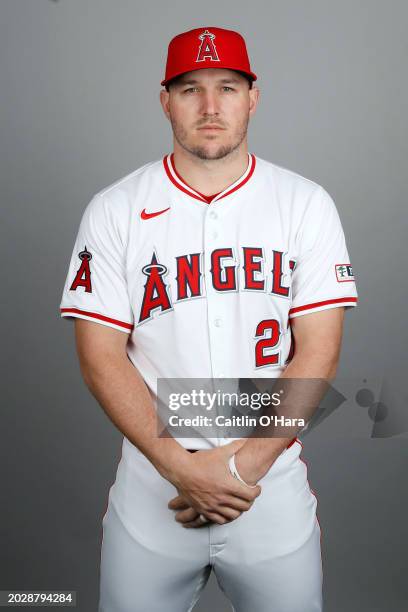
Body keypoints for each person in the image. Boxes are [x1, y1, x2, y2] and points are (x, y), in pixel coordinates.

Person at [59, 26, 358, 612]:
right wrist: (180, 468)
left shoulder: (305, 203)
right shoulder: (115, 209)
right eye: (191, 89)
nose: (212, 106)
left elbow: (317, 351)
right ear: (165, 99)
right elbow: (99, 355)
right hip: (153, 491)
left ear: (254, 96)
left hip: (269, 486)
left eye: (228, 86)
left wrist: (243, 468)